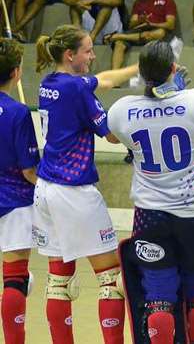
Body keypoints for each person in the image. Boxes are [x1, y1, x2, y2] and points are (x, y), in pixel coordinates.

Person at [107, 41, 194, 344]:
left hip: (151, 215)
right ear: (174, 68)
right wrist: (179, 96)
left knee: (158, 299)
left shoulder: (121, 110)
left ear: (142, 74)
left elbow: (128, 142)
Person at [33, 24, 139, 344]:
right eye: (88, 50)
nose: (93, 56)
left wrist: (139, 68)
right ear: (71, 55)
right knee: (110, 279)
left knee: (59, 281)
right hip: (74, 192)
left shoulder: (50, 82)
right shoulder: (77, 89)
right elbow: (109, 132)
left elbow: (104, 79)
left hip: (46, 190)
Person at [0, 38, 39, 344]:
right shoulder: (18, 113)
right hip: (14, 202)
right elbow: (29, 170)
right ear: (16, 73)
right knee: (14, 278)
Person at [106, 0, 178, 70]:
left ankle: (119, 35)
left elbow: (170, 25)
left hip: (156, 33)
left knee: (160, 32)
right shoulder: (139, 2)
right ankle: (114, 78)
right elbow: (131, 25)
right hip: (138, 31)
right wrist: (141, 20)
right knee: (119, 44)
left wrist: (151, 24)